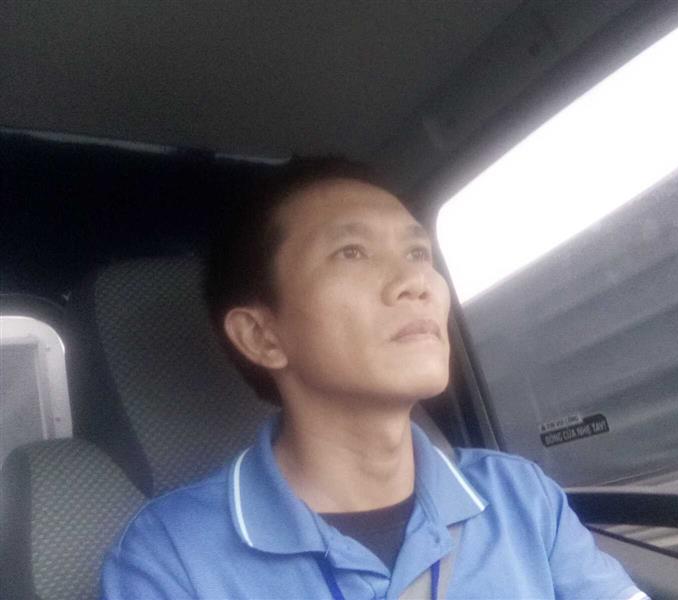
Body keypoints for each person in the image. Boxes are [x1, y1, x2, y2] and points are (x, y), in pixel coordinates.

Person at [101, 157, 648, 599]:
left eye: (418, 252)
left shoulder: (519, 496)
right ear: (263, 336)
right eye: (352, 252)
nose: (417, 281)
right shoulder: (170, 555)